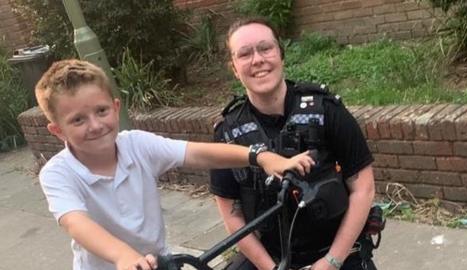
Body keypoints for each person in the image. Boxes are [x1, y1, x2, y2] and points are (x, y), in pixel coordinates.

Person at [34, 59, 315, 270]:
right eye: (78, 120)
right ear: (57, 130)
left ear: (116, 108)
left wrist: (259, 157)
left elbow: (198, 153)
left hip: (159, 263)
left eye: (101, 111)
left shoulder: (136, 144)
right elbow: (76, 223)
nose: (95, 125)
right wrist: (123, 256)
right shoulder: (59, 173)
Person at [210, 18, 377, 270]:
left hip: (337, 252)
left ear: (281, 54)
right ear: (234, 68)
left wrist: (331, 262)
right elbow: (233, 219)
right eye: (244, 54)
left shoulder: (326, 110)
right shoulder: (228, 134)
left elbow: (363, 189)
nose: (257, 60)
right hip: (270, 258)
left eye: (265, 48)